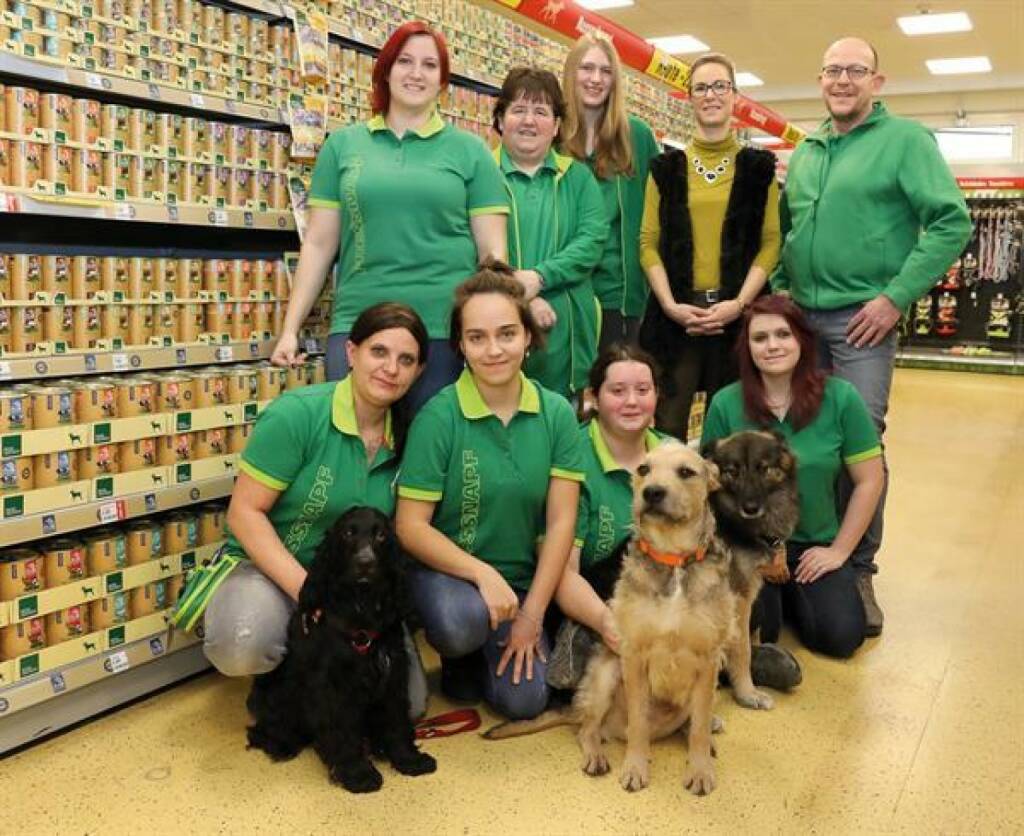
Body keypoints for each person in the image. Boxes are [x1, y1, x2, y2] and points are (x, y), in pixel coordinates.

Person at [772, 37, 971, 634]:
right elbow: (787, 231)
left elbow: (951, 221)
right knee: (801, 437)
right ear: (819, 78)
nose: (842, 80)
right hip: (801, 322)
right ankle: (800, 553)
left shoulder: (906, 141)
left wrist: (894, 297)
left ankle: (857, 567)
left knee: (861, 441)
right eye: (833, 70)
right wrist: (781, 293)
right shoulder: (806, 150)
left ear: (877, 82)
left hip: (862, 320)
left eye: (855, 71)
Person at [200, 303, 430, 716]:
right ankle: (290, 673)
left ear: (419, 371)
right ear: (351, 352)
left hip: (358, 586)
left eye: (406, 359)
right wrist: (310, 595)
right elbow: (244, 514)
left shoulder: (413, 437)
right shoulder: (297, 415)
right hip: (269, 570)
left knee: (408, 706)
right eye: (379, 352)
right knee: (242, 641)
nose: (390, 368)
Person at [271, 21, 508, 409]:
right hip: (360, 326)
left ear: (442, 81)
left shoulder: (472, 152)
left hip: (442, 330)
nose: (416, 73)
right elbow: (318, 244)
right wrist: (289, 330)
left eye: (430, 65)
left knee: (432, 456)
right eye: (405, 61)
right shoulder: (342, 146)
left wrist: (488, 334)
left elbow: (493, 256)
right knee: (356, 449)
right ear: (385, 71)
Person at [545, 342, 799, 691]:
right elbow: (562, 571)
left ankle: (730, 661)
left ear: (657, 396)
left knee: (761, 608)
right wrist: (608, 624)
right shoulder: (572, 455)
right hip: (604, 588)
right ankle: (587, 640)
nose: (632, 401)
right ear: (593, 397)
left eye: (642, 390)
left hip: (676, 584)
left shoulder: (675, 452)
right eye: (617, 391)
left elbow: (722, 523)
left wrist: (772, 545)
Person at [395, 262, 584, 720]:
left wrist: (532, 616)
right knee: (460, 622)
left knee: (526, 702)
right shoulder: (439, 417)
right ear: (460, 346)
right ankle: (459, 651)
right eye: (477, 337)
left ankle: (485, 655)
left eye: (506, 333)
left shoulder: (557, 413)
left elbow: (561, 523)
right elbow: (410, 527)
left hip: (520, 585)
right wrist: (480, 573)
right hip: (451, 577)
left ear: (528, 336)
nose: (494, 349)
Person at [701, 295, 885, 659]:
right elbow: (711, 488)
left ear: (802, 340)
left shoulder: (841, 397)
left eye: (783, 334)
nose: (772, 346)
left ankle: (800, 598)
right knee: (759, 631)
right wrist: (758, 549)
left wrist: (839, 551)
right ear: (747, 348)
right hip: (749, 544)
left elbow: (870, 480)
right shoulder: (725, 403)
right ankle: (776, 608)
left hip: (814, 543)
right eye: (760, 338)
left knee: (841, 637)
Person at [638, 52, 780, 441]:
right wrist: (670, 306)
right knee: (667, 428)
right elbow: (648, 243)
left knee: (734, 433)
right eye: (701, 87)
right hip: (676, 318)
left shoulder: (759, 169)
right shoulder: (665, 169)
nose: (711, 95)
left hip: (739, 320)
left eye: (720, 86)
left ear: (735, 97)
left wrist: (739, 304)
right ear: (689, 98)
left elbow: (770, 244)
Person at [492, 67, 607, 400]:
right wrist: (522, 291)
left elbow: (591, 242)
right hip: (497, 330)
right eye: (518, 110)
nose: (529, 121)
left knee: (562, 433)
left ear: (556, 125)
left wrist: (540, 278)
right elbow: (472, 246)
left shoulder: (578, 178)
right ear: (500, 119)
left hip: (566, 338)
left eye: (541, 112)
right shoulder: (481, 174)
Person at [561, 31, 660, 352]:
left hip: (620, 294)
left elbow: (661, 212)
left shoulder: (637, 137)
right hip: (565, 291)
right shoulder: (552, 136)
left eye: (605, 71)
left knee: (617, 392)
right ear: (571, 73)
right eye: (587, 68)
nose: (595, 79)